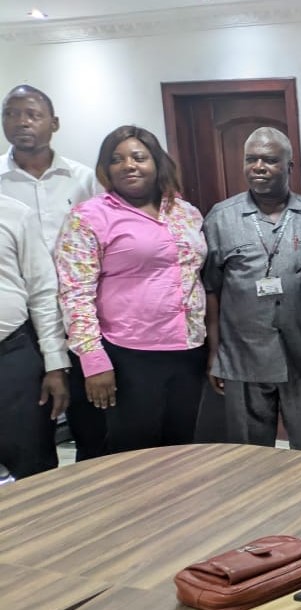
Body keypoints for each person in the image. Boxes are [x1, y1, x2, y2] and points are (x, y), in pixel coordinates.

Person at [56, 125, 207, 454]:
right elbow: (75, 293)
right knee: (128, 458)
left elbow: (196, 275)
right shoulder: (88, 217)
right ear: (105, 169)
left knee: (179, 451)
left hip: (187, 351)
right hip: (126, 355)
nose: (128, 165)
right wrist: (93, 359)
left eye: (139, 157)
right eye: (116, 159)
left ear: (157, 163)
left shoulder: (186, 213)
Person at [203, 127, 301, 452]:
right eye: (251, 159)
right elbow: (211, 289)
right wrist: (214, 353)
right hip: (243, 355)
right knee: (250, 454)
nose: (258, 167)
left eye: (270, 160)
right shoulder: (221, 218)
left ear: (289, 166)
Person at [1, 84, 104, 461]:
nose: (21, 122)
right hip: (22, 327)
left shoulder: (82, 179)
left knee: (93, 422)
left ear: (54, 123)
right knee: (32, 427)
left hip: (83, 316)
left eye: (32, 114)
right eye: (11, 114)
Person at [0, 192, 69, 479]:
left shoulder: (14, 213)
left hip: (11, 356)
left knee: (33, 466)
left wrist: (55, 364)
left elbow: (43, 291)